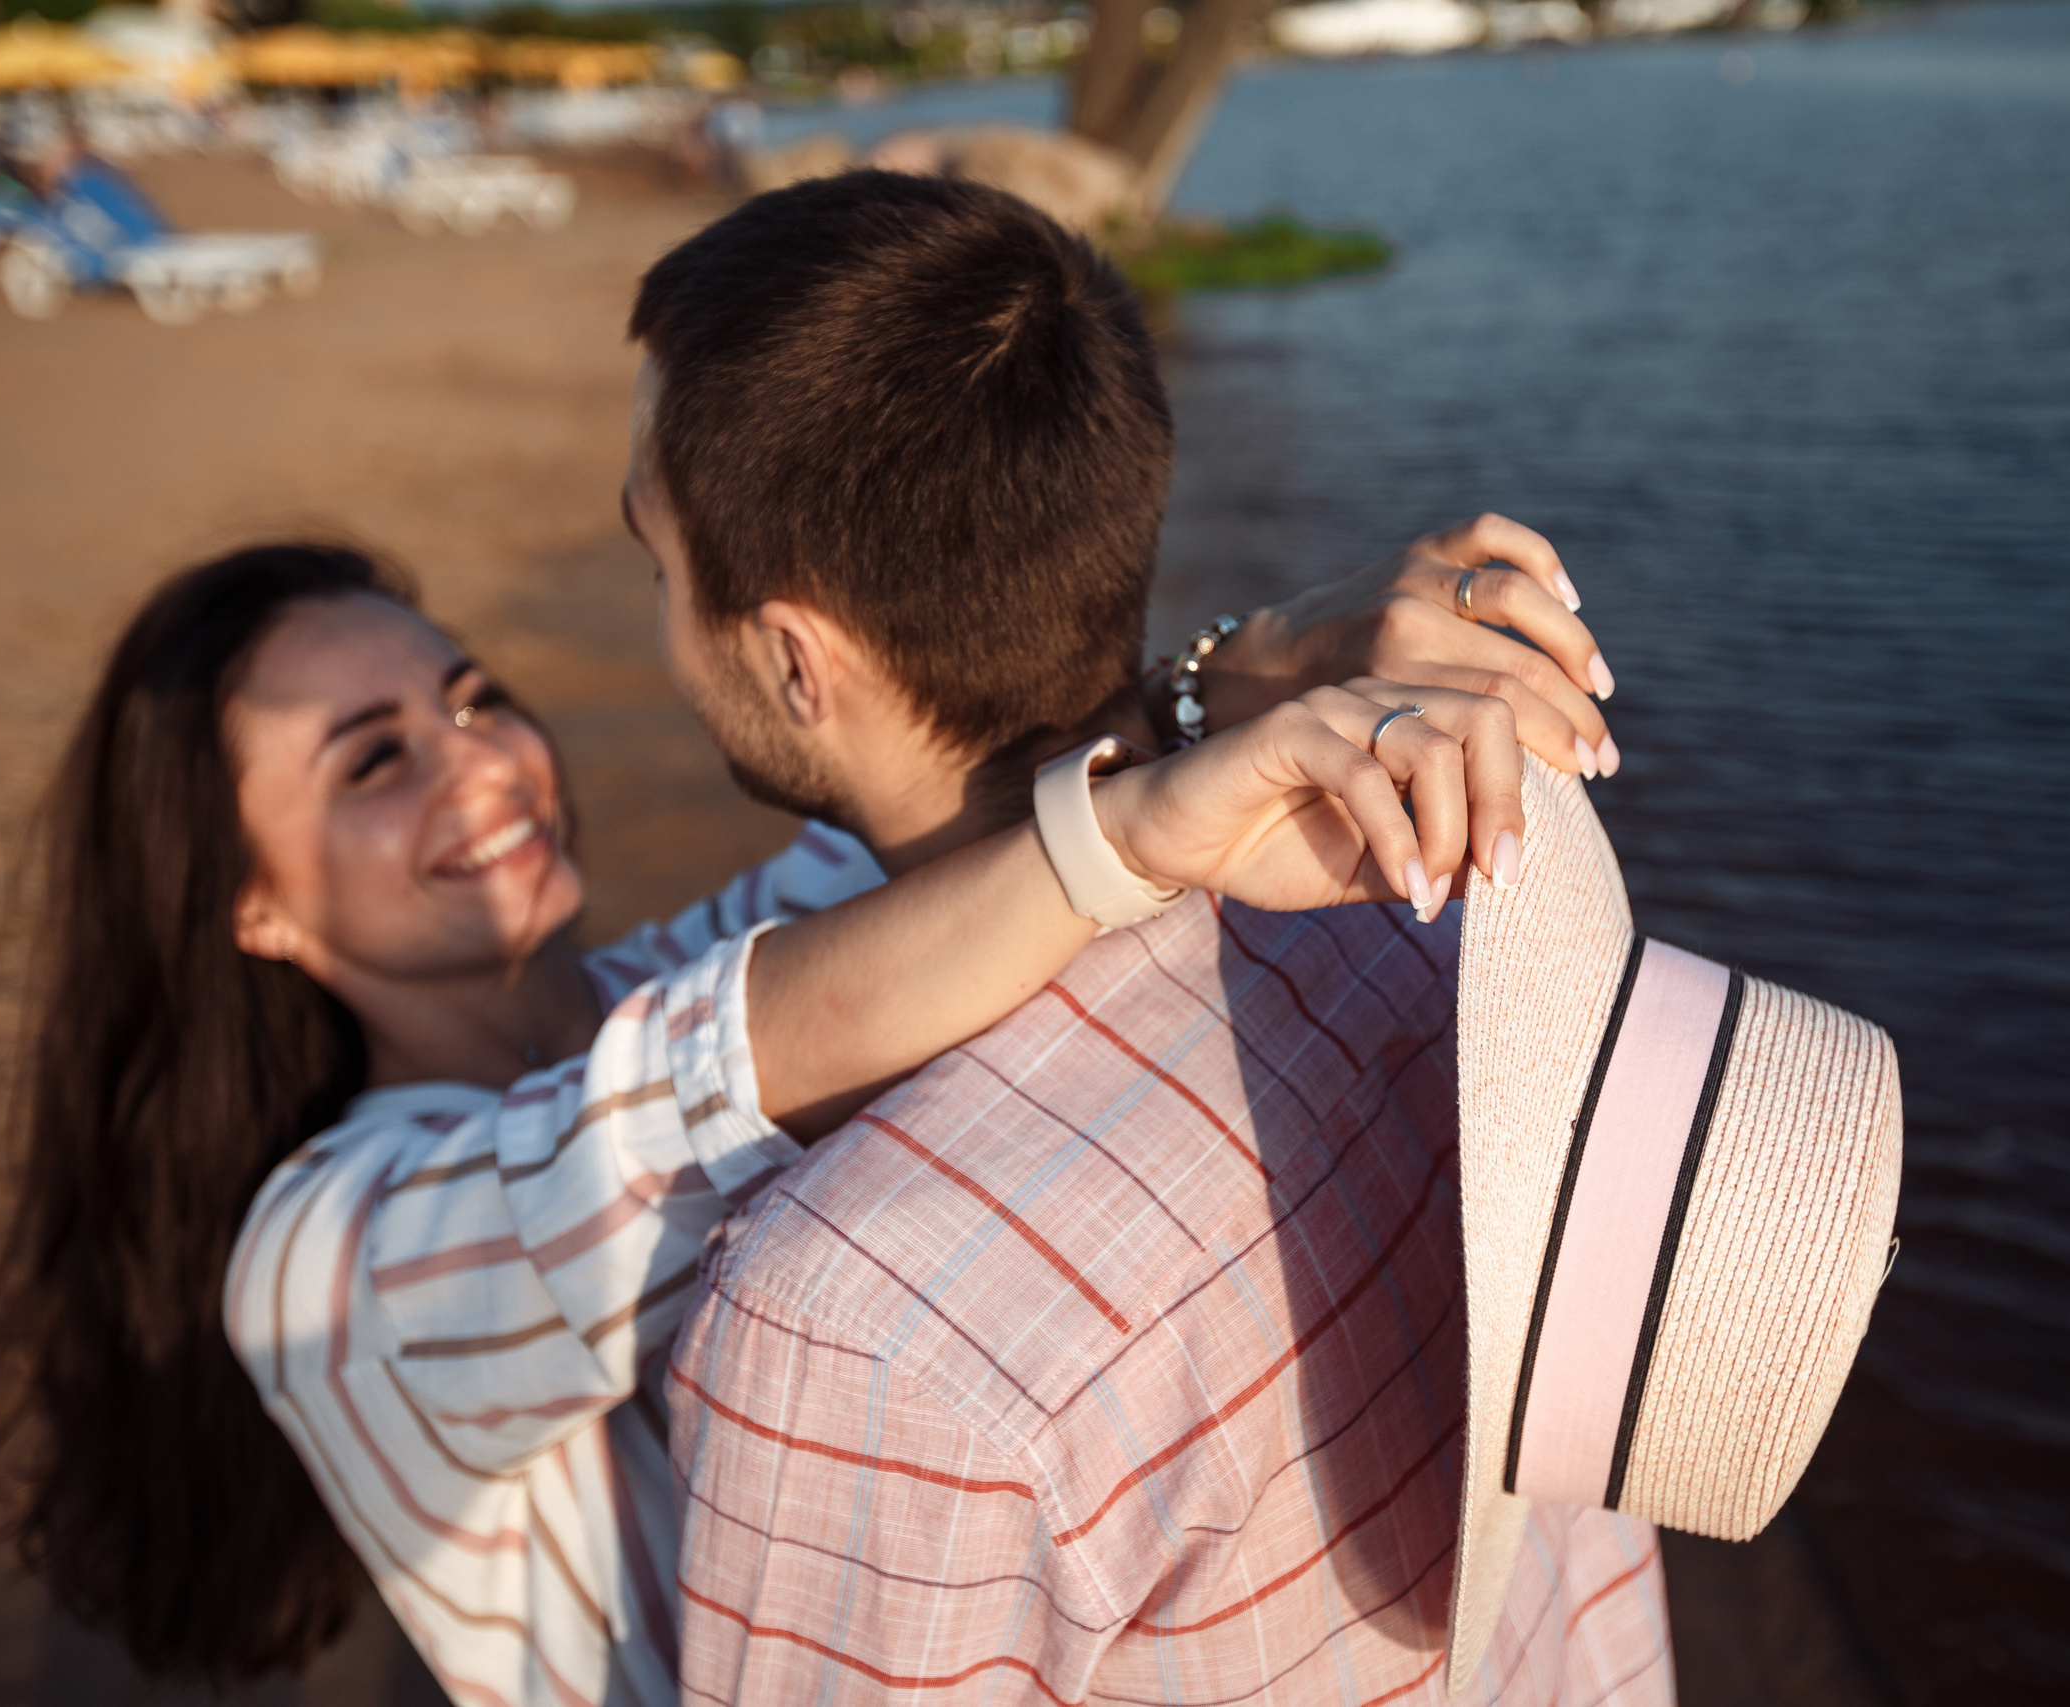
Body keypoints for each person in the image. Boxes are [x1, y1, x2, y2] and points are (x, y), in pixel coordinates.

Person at [0, 213, 1624, 1707]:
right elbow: (655, 1120)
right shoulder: (317, 1259)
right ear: (245, 909)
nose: (484, 765)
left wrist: (1243, 668)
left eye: (471, 696)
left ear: (779, 654)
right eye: (373, 763)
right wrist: (1144, 824)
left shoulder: (692, 968)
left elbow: (948, 840)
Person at [630, 174, 1670, 1702]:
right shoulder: (1450, 911)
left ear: (798, 662)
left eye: (658, 567)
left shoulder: (847, 1328)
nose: (656, 610)